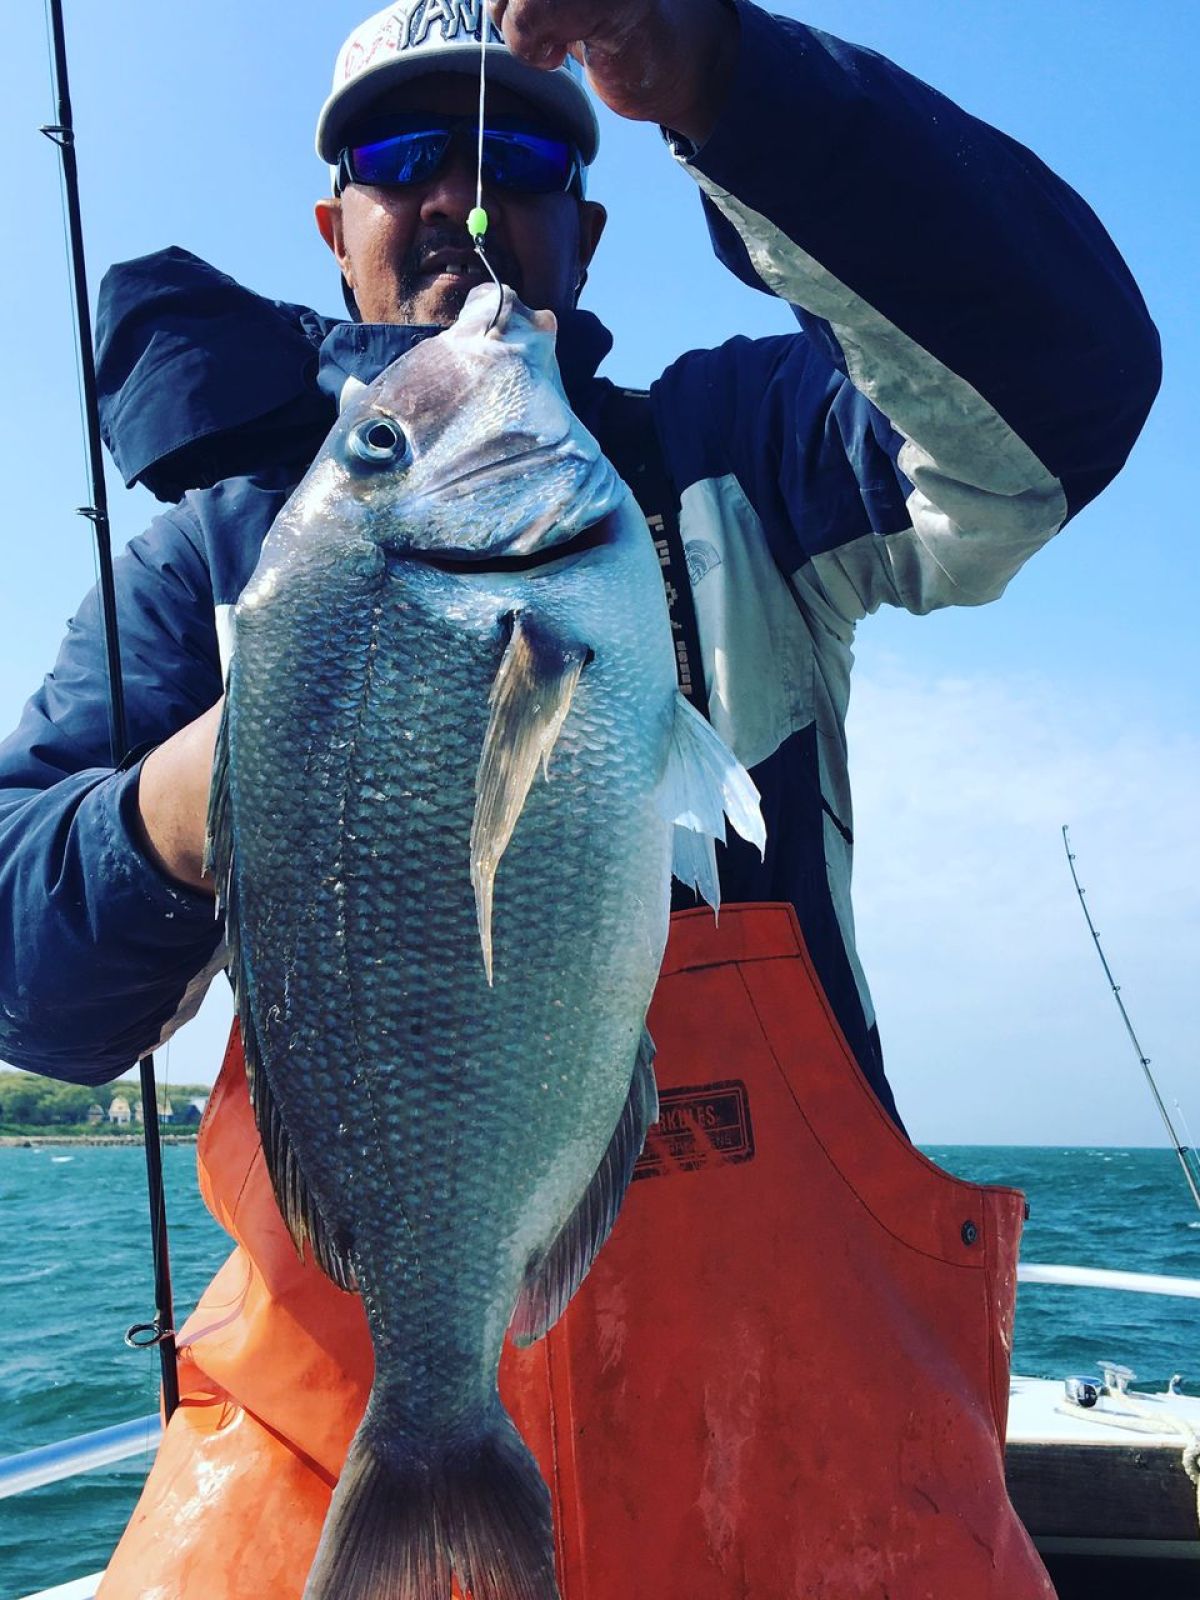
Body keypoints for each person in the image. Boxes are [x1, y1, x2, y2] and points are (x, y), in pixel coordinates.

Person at [0, 1, 1159, 1594]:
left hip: (807, 1459)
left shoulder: (737, 459)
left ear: (586, 231)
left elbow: (1065, 388)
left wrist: (718, 71)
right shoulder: (216, 563)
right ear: (334, 225)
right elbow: (24, 976)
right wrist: (195, 799)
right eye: (400, 156)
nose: (459, 190)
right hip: (338, 1451)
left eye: (522, 157)